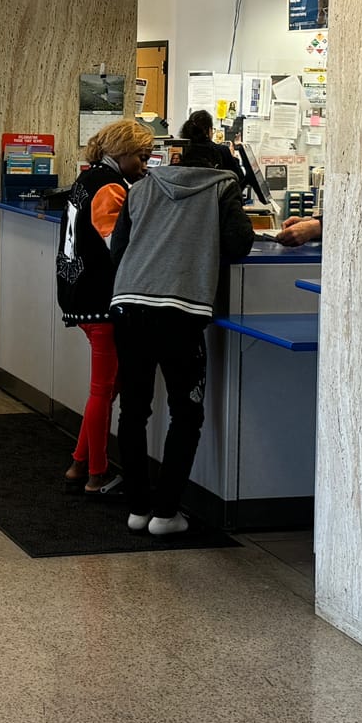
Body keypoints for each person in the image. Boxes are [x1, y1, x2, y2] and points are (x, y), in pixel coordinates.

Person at [108, 136, 253, 536]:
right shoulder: (224, 187)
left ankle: (138, 507)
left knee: (134, 410)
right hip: (181, 310)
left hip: (128, 304)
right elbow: (240, 243)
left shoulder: (140, 186)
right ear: (219, 165)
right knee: (186, 412)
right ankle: (166, 512)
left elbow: (118, 249)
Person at [55, 119, 154, 496]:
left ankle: (79, 463)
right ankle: (98, 474)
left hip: (77, 291)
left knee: (107, 387)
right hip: (101, 299)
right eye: (142, 158)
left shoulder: (86, 178)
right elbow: (117, 242)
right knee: (103, 389)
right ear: (122, 153)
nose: (145, 166)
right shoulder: (110, 187)